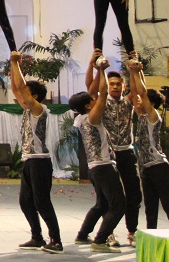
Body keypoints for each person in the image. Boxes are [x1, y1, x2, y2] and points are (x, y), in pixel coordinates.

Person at [69, 55, 125, 254]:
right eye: (91, 100)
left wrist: (95, 69)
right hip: (103, 166)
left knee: (102, 204)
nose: (95, 100)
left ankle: (83, 234)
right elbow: (103, 94)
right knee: (119, 205)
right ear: (87, 105)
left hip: (95, 168)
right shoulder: (92, 117)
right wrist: (100, 69)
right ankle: (100, 240)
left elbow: (96, 93)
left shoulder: (82, 118)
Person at [8, 51, 61, 254]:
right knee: (25, 202)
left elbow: (21, 88)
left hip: (40, 161)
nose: (21, 98)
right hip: (29, 161)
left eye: (26, 95)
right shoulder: (27, 109)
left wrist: (16, 63)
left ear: (35, 97)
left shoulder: (39, 109)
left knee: (42, 202)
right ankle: (37, 237)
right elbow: (16, 88)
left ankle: (56, 240)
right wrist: (13, 67)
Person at [85, 63, 140, 247]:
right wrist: (96, 68)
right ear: (107, 86)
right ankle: (108, 233)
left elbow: (138, 90)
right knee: (108, 198)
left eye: (118, 84)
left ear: (124, 86)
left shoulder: (128, 102)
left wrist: (134, 71)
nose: (115, 87)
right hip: (108, 155)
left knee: (134, 194)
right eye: (112, 84)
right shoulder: (101, 102)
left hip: (126, 151)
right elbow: (91, 88)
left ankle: (132, 232)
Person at [126, 59, 169, 230]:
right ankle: (152, 234)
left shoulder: (153, 116)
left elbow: (142, 93)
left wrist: (137, 72)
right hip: (146, 168)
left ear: (151, 104)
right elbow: (136, 92)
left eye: (142, 100)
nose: (137, 101)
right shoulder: (142, 115)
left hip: (158, 166)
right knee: (150, 207)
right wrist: (133, 71)